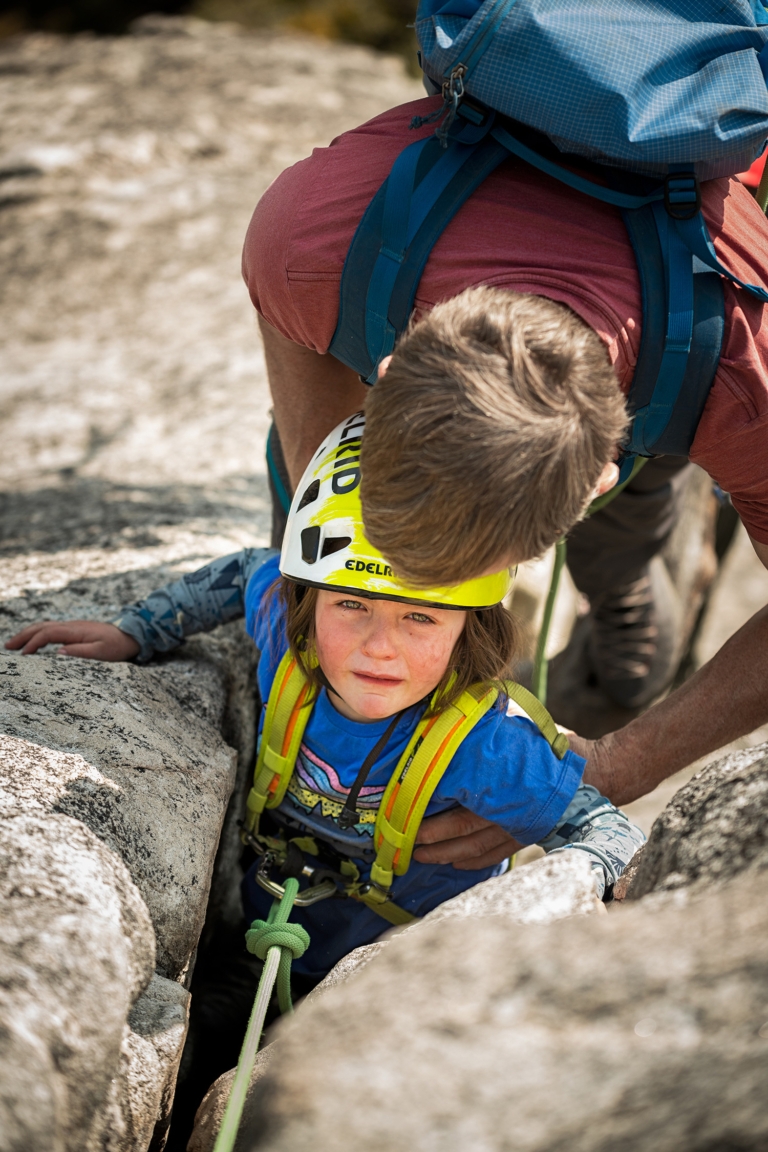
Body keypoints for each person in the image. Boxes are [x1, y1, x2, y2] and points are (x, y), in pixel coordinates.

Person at [240, 94, 768, 868]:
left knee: (634, 605)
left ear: (595, 483)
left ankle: (644, 555)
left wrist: (622, 764)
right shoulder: (310, 241)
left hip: (675, 369)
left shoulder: (745, 377)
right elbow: (293, 347)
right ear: (388, 374)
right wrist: (318, 558)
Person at [5, 415, 644, 980]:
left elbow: (606, 832)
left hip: (395, 975)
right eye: (351, 606)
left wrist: (555, 900)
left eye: (420, 618)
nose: (379, 647)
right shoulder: (289, 638)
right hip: (265, 942)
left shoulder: (489, 745)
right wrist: (138, 631)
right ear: (306, 603)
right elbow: (244, 573)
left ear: (470, 629)